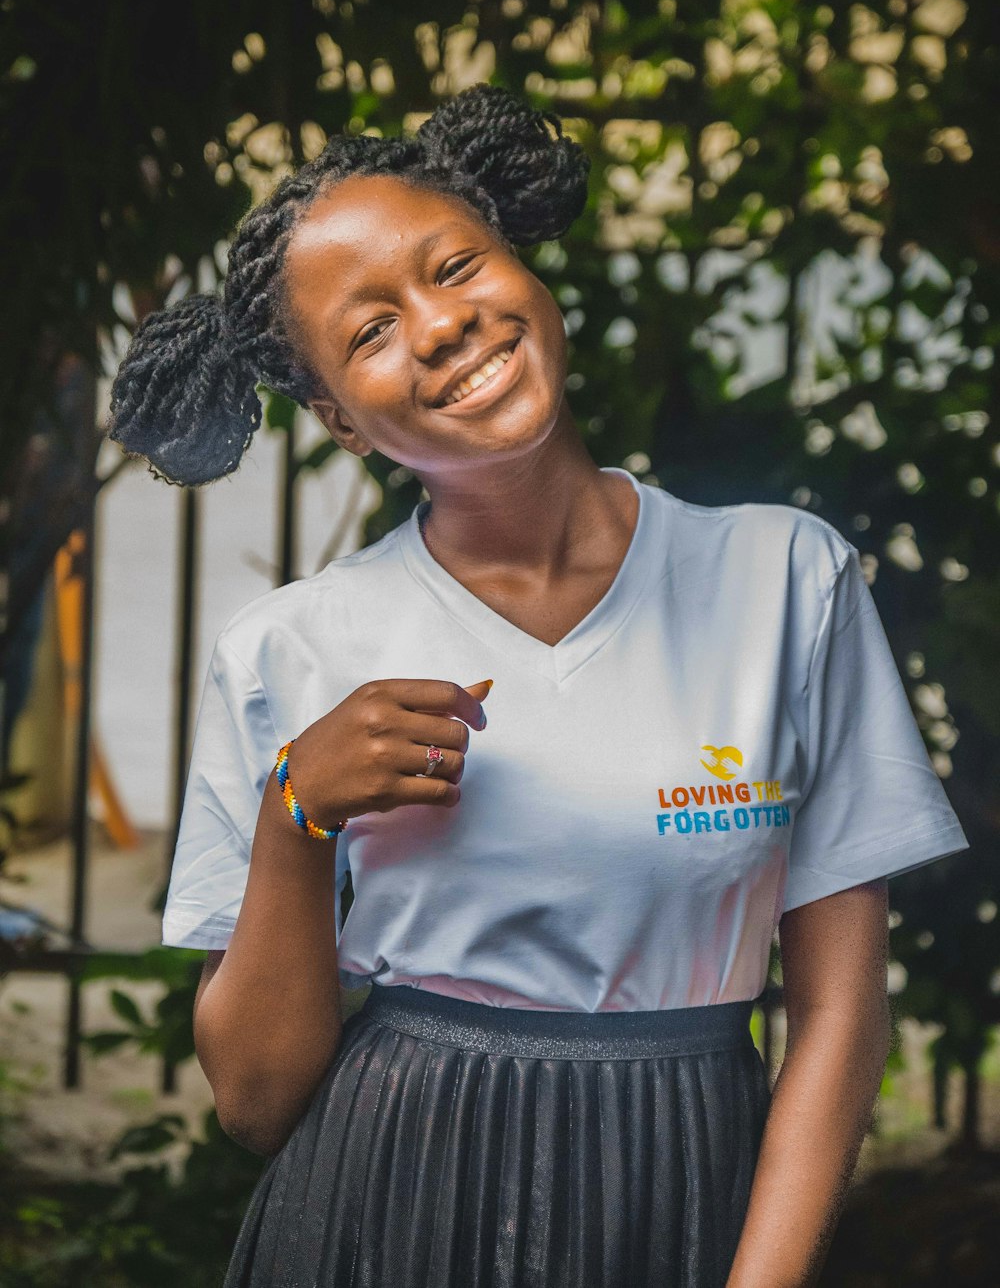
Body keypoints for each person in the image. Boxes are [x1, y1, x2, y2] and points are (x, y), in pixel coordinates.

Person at [108, 83, 969, 1288]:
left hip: (686, 1186)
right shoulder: (292, 647)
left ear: (518, 262)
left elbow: (837, 1011)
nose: (440, 324)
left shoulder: (784, 580)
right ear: (336, 421)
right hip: (385, 1204)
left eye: (455, 266)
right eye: (368, 331)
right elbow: (255, 1101)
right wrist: (294, 814)